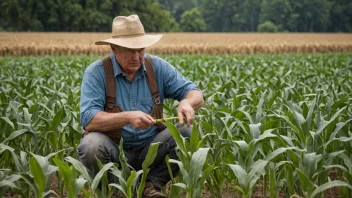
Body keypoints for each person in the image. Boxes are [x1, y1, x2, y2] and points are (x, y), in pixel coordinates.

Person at [78, 15, 204, 197]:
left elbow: (195, 93)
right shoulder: (97, 73)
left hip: (151, 150)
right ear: (114, 48)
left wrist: (187, 102)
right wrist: (127, 117)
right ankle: (116, 190)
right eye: (130, 51)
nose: (137, 57)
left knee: (187, 132)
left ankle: (150, 185)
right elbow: (89, 119)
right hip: (114, 150)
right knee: (90, 145)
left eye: (141, 50)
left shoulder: (157, 67)